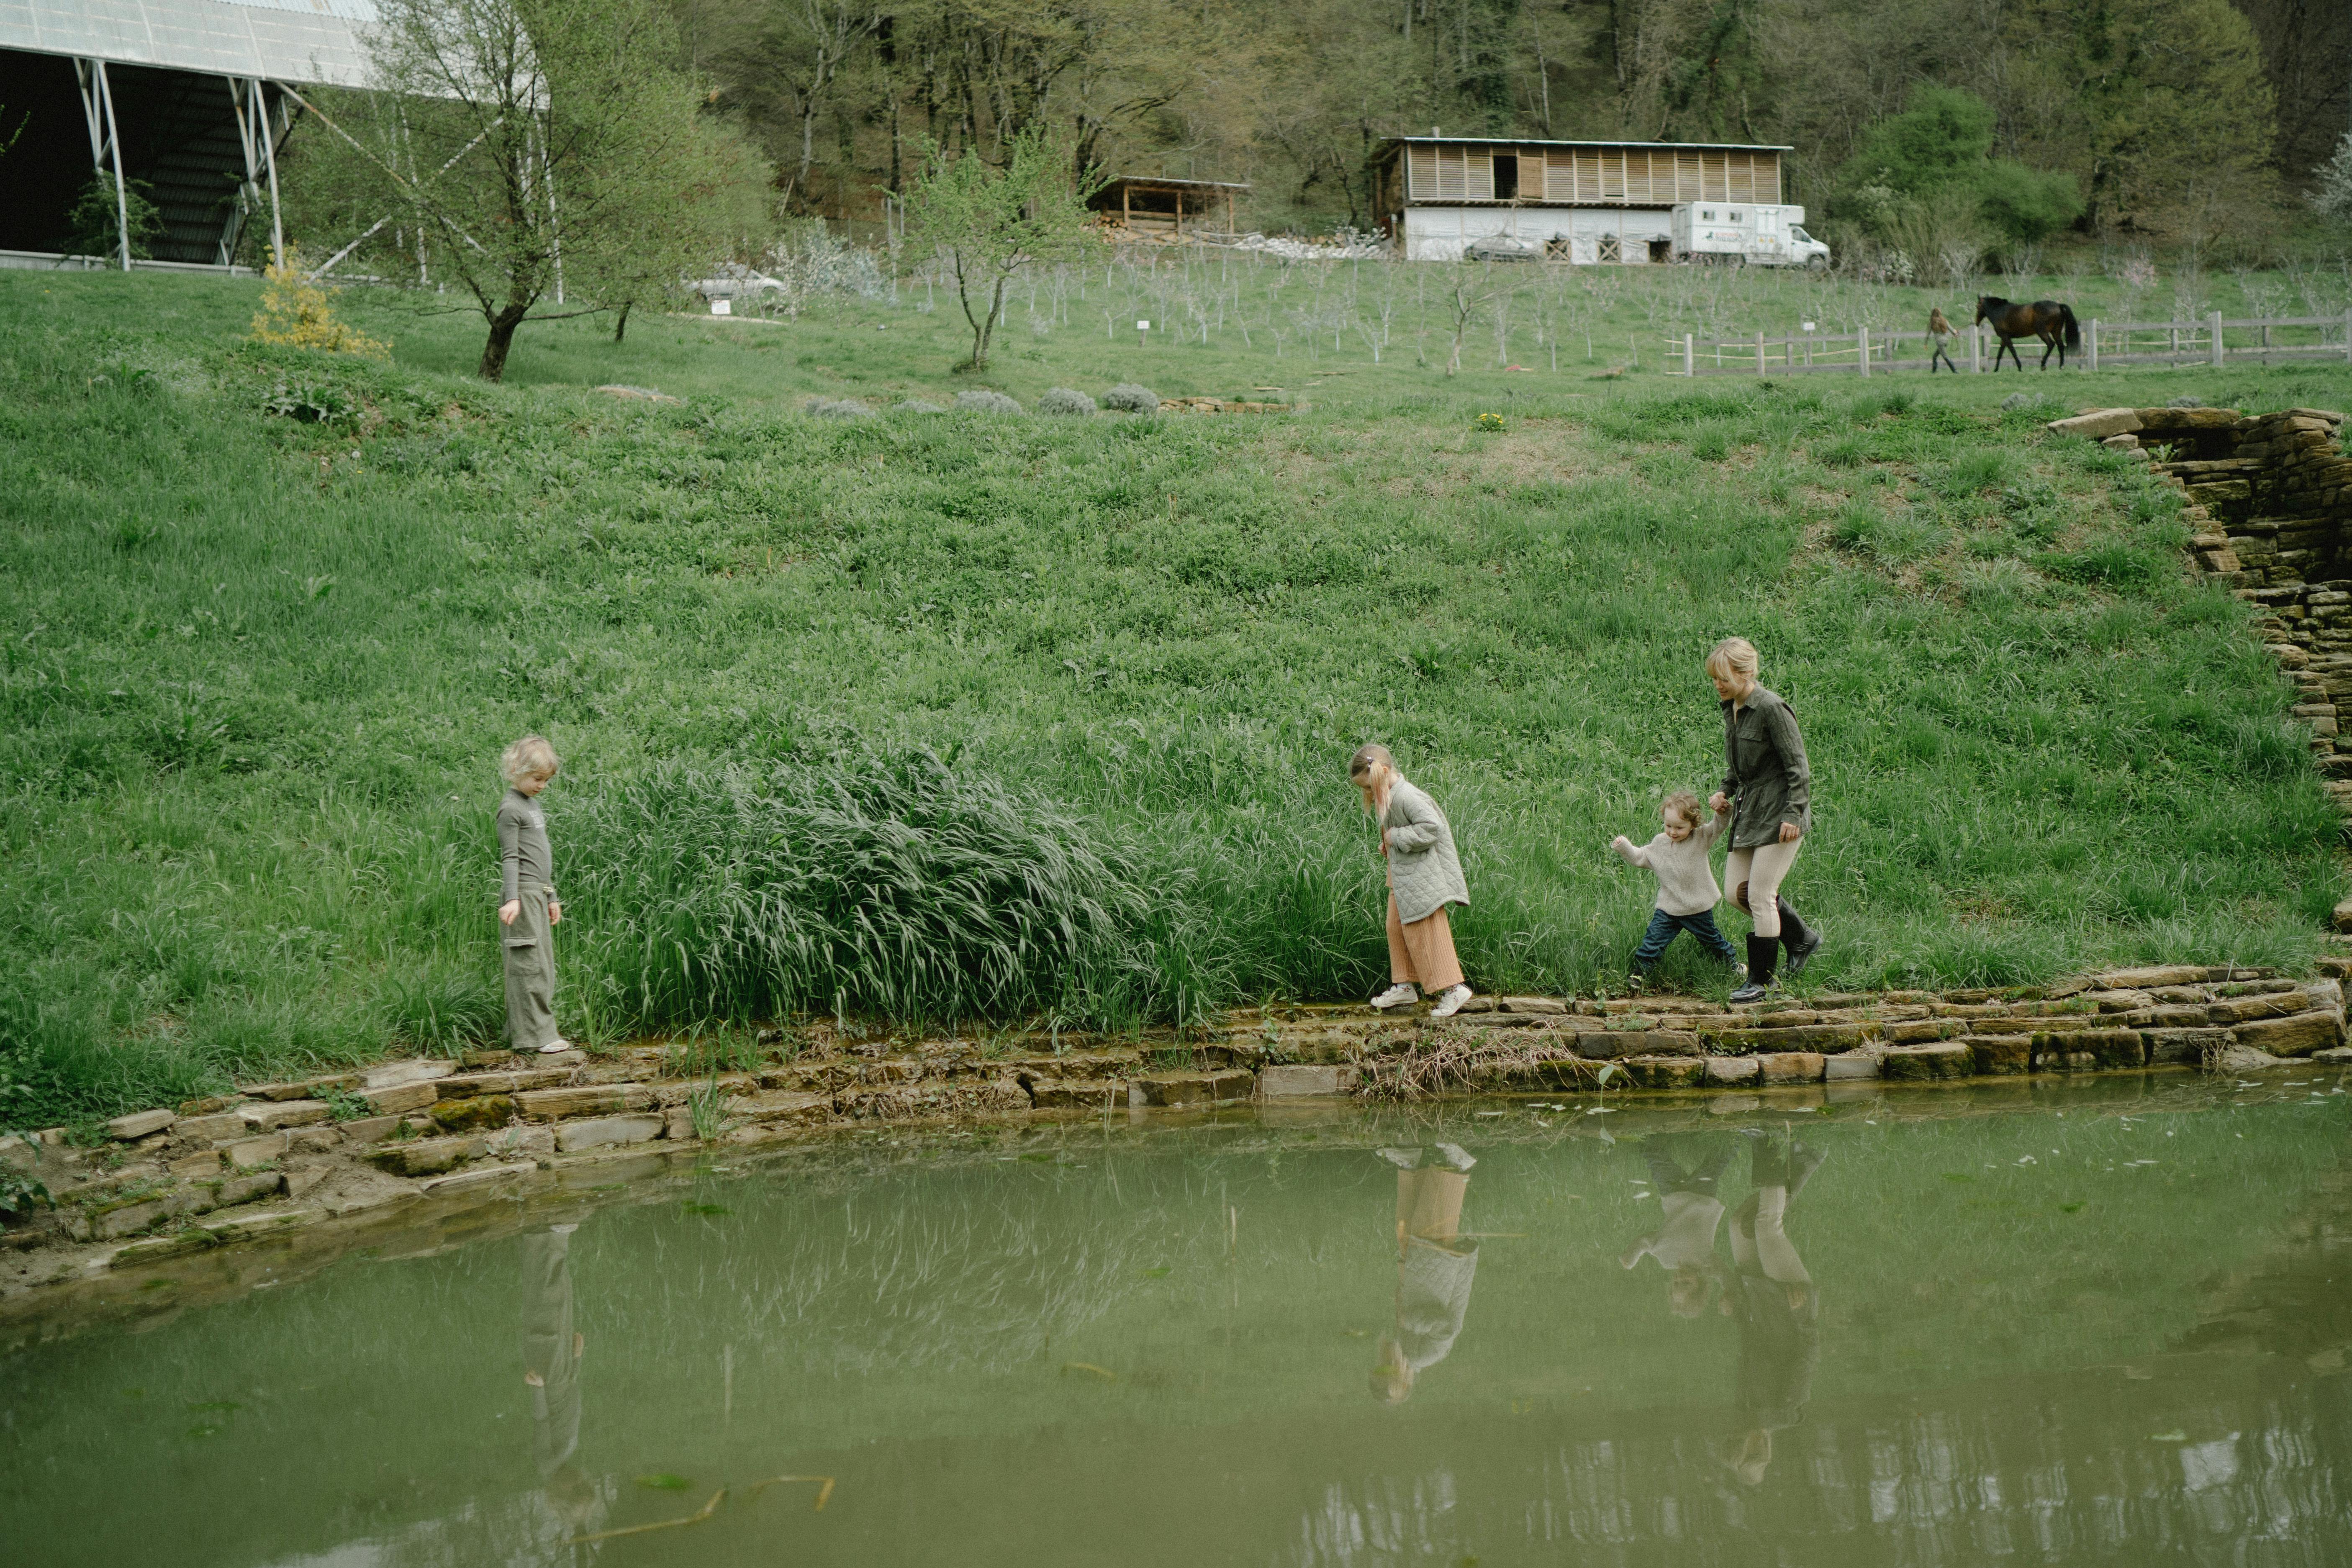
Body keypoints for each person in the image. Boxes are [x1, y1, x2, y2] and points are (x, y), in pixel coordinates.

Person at [1705, 639, 1821, 1004]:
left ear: (1746, 673)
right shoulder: (1732, 707)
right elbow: (1738, 764)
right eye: (1715, 679)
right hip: (1749, 810)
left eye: (1724, 678)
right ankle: (1801, 937)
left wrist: (1794, 813)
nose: (1718, 685)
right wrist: (1725, 790)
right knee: (1736, 892)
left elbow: (1798, 768)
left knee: (1759, 896)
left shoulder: (1772, 708)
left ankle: (1761, 981)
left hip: (1781, 812)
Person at [1721, 1130, 1825, 1486]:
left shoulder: (1743, 1408)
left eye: (1738, 1449)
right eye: (1753, 1453)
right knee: (1768, 1225)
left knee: (1740, 1223)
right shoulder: (1785, 1412)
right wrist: (1801, 1311)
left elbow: (1750, 1346)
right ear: (1763, 1448)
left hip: (1755, 1298)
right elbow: (1808, 1355)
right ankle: (1765, 1141)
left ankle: (1803, 1164)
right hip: (1787, 1301)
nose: (1741, 1442)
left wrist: (1734, 1308)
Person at [1351, 744, 1474, 1019]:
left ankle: (1455, 989)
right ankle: (1405, 985)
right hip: (1403, 877)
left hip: (1421, 878)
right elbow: (1399, 830)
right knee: (1395, 927)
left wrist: (1397, 838)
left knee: (1425, 931)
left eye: (1369, 787)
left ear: (1382, 773)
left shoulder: (1408, 795)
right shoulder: (1392, 795)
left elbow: (1431, 827)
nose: (1368, 793)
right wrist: (1389, 844)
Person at [1369, 1144, 1481, 1402]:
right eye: (1390, 1372)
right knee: (1432, 1222)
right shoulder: (1424, 1357)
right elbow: (1447, 1328)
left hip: (1417, 1276)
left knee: (1407, 1227)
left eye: (1380, 1369)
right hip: (1440, 1280)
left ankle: (1410, 1164)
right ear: (1406, 1380)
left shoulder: (1402, 1349)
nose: (1386, 1364)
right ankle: (1458, 1164)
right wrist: (1410, 1322)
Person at [1611, 789, 1743, 990]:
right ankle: (1640, 973)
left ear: (1693, 824)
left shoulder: (1701, 838)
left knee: (1712, 941)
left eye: (1680, 827)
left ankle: (1733, 966)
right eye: (1668, 826)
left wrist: (1723, 811)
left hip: (1697, 907)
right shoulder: (1660, 843)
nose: (1673, 832)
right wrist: (1624, 847)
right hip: (1669, 907)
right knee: (1653, 941)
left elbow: (1719, 826)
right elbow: (1640, 858)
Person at [498, 735, 570, 1054]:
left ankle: (525, 1029)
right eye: (536, 778)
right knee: (528, 965)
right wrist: (512, 897)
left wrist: (551, 895)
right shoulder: (510, 808)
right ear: (516, 770)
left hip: (538, 893)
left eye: (546, 780)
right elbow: (511, 857)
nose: (542, 785)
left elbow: (540, 855)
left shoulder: (532, 804)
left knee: (543, 964)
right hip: (523, 896)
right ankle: (535, 1037)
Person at [1619, 1135, 1736, 1319]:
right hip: (1702, 1196)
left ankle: (1645, 1133)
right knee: (1718, 1160)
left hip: (1673, 1194)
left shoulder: (1665, 1259)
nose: (1680, 1279)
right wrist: (1730, 1293)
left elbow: (1645, 1242)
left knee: (1655, 1158)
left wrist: (1631, 1257)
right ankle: (1734, 1136)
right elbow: (1725, 1276)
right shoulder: (1706, 1263)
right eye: (1686, 1284)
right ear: (1701, 1285)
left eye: (1676, 1285)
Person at [1928, 307, 1961, 374]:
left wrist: (1926, 342)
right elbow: (1952, 330)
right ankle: (1933, 372)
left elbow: (1928, 333)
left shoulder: (1933, 322)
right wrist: (1956, 333)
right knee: (1934, 357)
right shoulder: (1944, 320)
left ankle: (1955, 371)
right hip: (1945, 341)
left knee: (1945, 357)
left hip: (1940, 342)